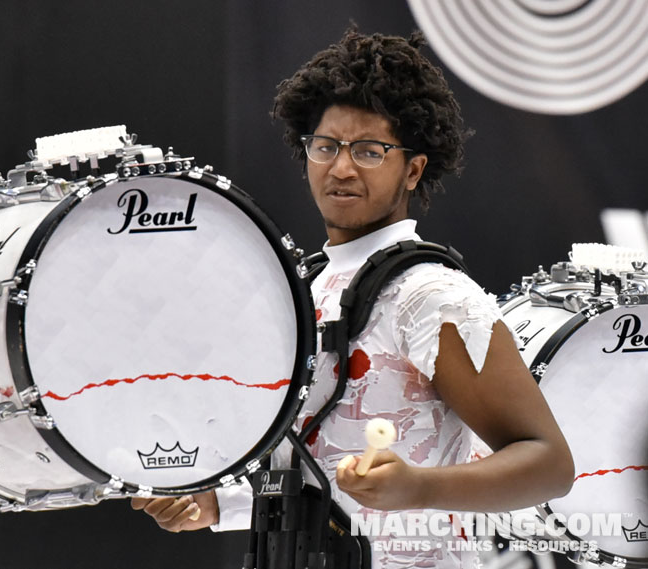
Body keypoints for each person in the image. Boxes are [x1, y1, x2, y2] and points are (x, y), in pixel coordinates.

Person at [131, 29, 574, 568]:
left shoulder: (433, 296)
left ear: (413, 168)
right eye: (326, 147)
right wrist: (216, 502)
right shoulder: (306, 287)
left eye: (369, 150)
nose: (341, 168)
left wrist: (419, 488)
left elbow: (549, 465)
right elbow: (319, 472)